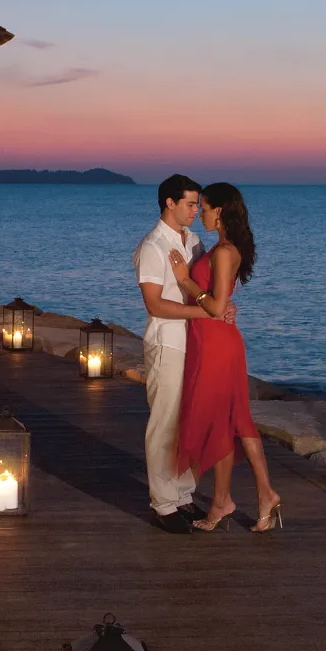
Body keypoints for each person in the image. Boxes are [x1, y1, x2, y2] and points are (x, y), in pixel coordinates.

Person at [170, 182, 280, 532]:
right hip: (216, 341)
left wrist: (186, 283)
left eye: (204, 207)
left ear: (220, 211)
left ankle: (225, 501)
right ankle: (260, 496)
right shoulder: (223, 248)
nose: (200, 212)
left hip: (217, 345)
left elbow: (216, 306)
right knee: (237, 421)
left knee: (223, 421)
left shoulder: (223, 252)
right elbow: (223, 301)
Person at [133, 174, 216, 534]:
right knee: (164, 424)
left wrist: (217, 308)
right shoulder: (152, 246)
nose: (197, 210)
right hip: (167, 342)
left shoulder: (194, 241)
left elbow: (199, 289)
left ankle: (182, 494)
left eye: (198, 204)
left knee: (190, 422)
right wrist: (205, 311)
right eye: (190, 204)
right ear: (170, 203)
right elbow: (154, 304)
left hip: (194, 342)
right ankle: (163, 503)